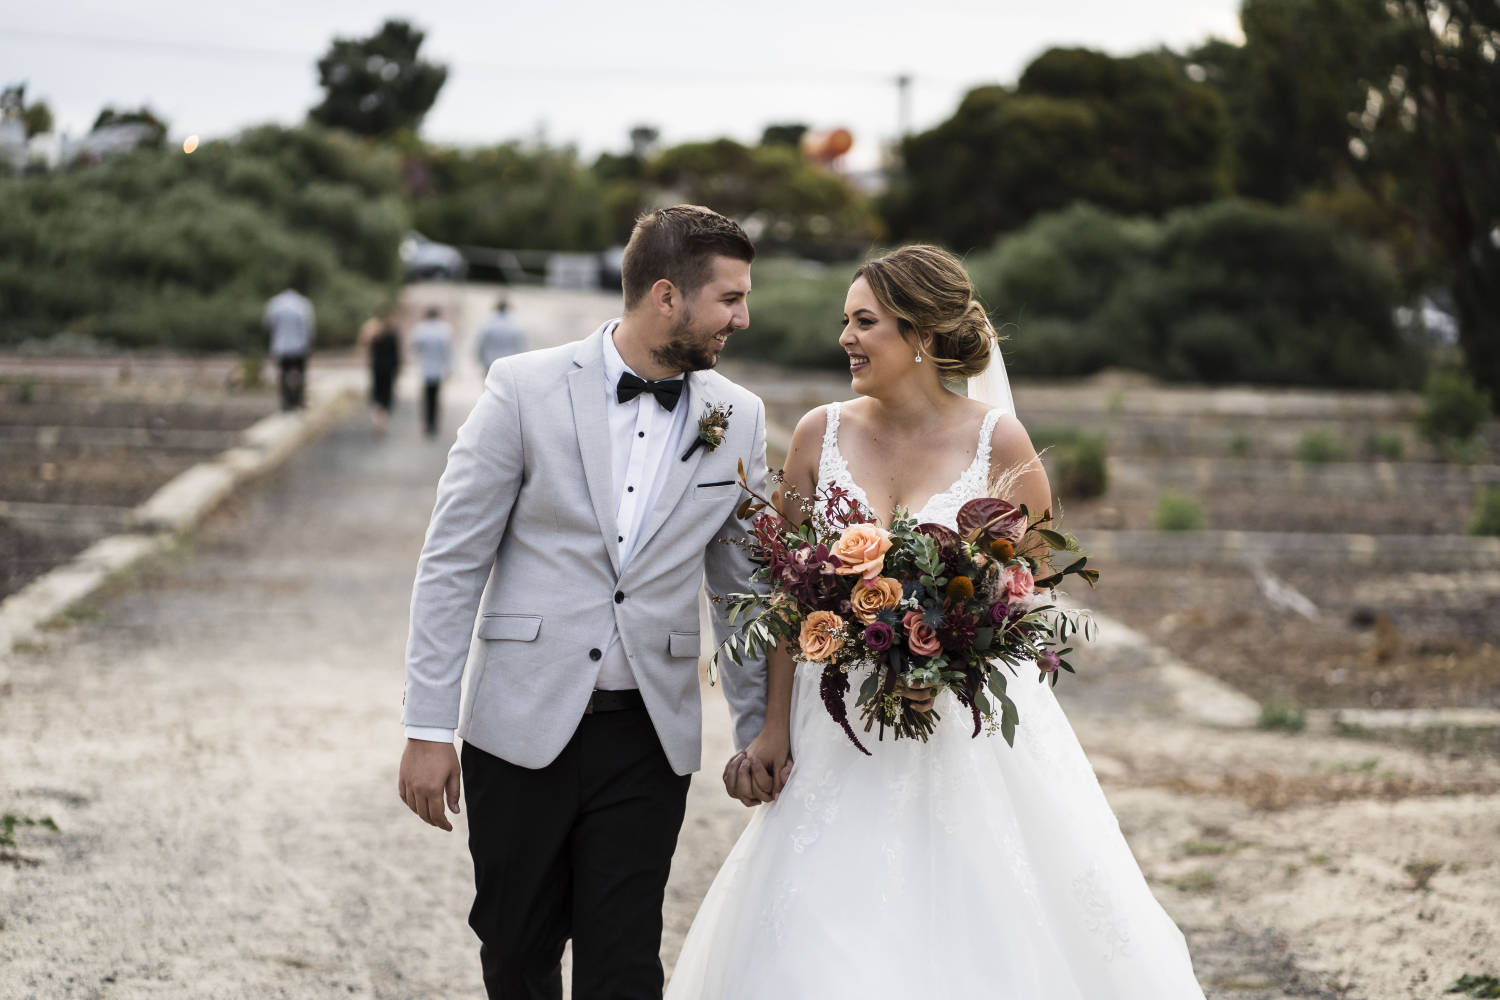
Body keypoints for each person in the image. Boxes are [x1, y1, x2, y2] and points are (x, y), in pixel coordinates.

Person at [666, 245, 1207, 998]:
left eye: (865, 322)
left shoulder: (1001, 443)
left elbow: (1032, 585)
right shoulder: (818, 436)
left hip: (965, 733)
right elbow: (787, 598)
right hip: (838, 730)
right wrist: (772, 727)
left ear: (920, 334)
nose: (846, 339)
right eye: (844, 321)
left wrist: (953, 652)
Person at [398, 205, 772, 1000]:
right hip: (519, 725)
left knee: (624, 961)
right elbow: (452, 563)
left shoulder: (737, 417)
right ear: (666, 295)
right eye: (730, 299)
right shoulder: (523, 388)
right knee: (516, 952)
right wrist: (428, 727)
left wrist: (757, 732)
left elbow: (742, 590)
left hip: (647, 733)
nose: (743, 317)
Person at [262, 273, 315, 411]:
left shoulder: (275, 303)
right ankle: (298, 399)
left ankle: (286, 401)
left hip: (281, 346)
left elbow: (268, 325)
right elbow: (308, 327)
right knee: (299, 374)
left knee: (283, 374)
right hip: (299, 346)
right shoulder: (303, 303)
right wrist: (309, 344)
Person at [409, 306, 454, 438]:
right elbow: (448, 350)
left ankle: (427, 423)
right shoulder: (444, 329)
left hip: (425, 367)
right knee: (436, 397)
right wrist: (450, 367)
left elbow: (414, 346)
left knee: (426, 396)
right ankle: (434, 423)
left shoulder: (420, 329)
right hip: (439, 368)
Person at [359, 304, 402, 435]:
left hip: (377, 367)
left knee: (377, 394)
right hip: (389, 368)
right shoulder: (393, 334)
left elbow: (365, 347)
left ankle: (377, 419)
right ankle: (383, 420)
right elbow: (396, 354)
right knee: (386, 395)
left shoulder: (374, 334)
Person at [474, 298, 528, 377]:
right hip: (509, 365)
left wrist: (480, 360)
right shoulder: (515, 324)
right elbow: (520, 346)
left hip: (490, 363)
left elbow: (481, 344)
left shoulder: (487, 323)